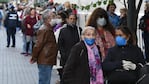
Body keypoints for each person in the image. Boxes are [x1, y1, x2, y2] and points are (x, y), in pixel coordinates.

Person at [30, 9, 58, 84]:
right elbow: (38, 44)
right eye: (53, 16)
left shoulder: (47, 28)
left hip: (46, 58)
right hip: (45, 59)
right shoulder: (45, 29)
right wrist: (34, 57)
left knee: (45, 79)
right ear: (48, 18)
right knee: (45, 80)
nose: (55, 18)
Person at [58, 13, 82, 83]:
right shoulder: (63, 30)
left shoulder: (79, 30)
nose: (72, 20)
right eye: (71, 19)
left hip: (77, 58)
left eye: (74, 19)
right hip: (66, 58)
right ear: (67, 20)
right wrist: (64, 55)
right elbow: (60, 44)